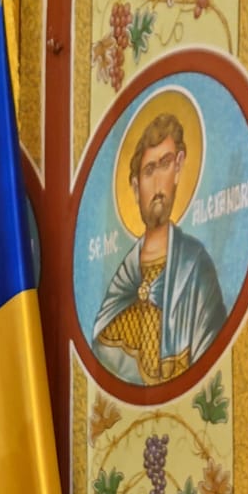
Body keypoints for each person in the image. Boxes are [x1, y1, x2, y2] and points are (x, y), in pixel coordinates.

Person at [91, 111, 226, 385]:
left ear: (178, 167)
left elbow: (212, 364)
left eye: (165, 164)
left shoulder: (196, 267)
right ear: (135, 186)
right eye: (149, 170)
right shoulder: (125, 280)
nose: (156, 182)